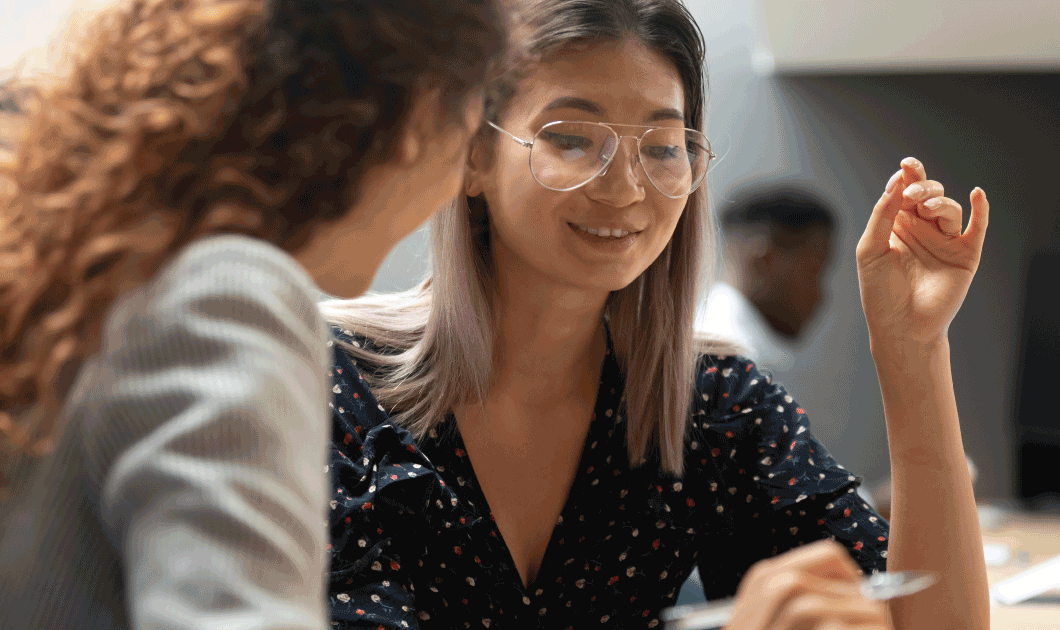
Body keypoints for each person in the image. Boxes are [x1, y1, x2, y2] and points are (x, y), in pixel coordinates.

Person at [320, 0, 990, 628]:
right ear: (471, 155)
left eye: (663, 147)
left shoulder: (714, 403)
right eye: (573, 139)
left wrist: (915, 351)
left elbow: (921, 621)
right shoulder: (328, 382)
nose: (624, 187)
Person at [0, 0, 503, 627]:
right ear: (422, 115)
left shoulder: (84, 273)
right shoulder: (225, 296)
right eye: (472, 121)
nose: (459, 179)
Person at [697, 187, 836, 381]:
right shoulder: (731, 360)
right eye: (815, 273)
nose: (821, 296)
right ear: (764, 260)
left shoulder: (713, 337)